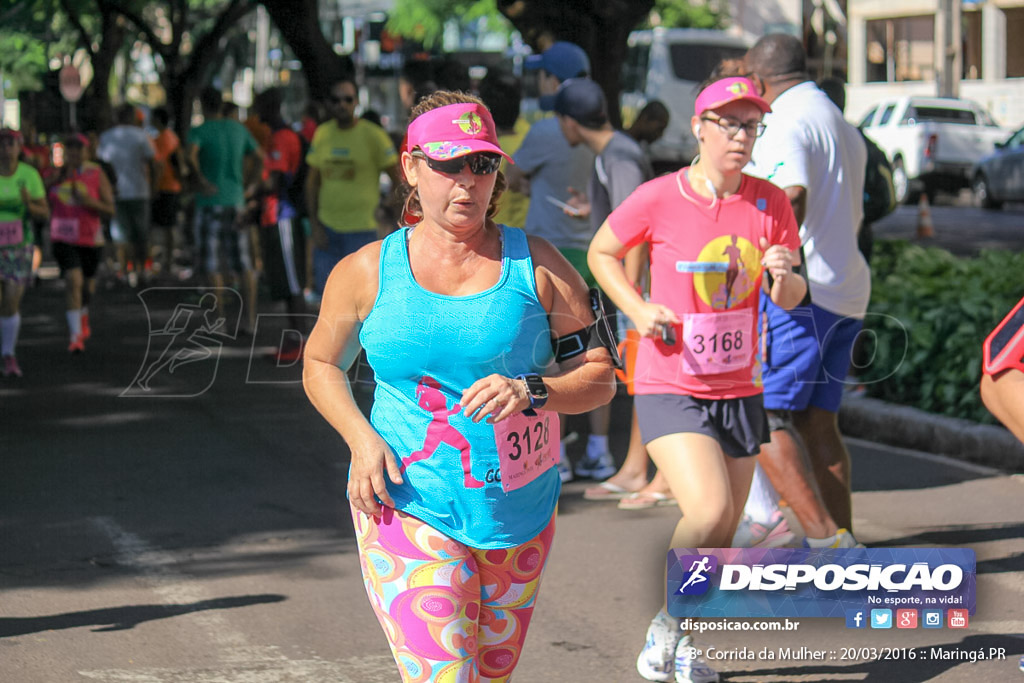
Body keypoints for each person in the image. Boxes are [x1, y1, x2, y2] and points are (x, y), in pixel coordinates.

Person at [302, 90, 616, 681]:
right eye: (448, 165)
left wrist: (535, 390)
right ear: (411, 167)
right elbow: (320, 364)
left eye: (482, 164)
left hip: (516, 510)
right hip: (406, 500)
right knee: (447, 674)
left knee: (489, 673)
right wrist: (362, 441)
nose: (467, 182)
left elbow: (600, 378)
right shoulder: (367, 271)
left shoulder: (541, 266)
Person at [588, 77, 805, 683]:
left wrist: (785, 273)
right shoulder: (660, 196)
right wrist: (636, 309)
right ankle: (667, 626)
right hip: (669, 380)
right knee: (707, 511)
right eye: (728, 124)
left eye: (751, 126)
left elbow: (790, 296)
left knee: (724, 532)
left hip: (740, 387)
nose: (740, 137)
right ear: (700, 126)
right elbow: (602, 252)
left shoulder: (770, 203)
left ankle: (682, 636)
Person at [743, 34, 868, 548]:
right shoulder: (838, 120)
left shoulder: (787, 119)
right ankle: (846, 541)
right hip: (845, 288)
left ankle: (826, 543)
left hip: (801, 292)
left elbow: (789, 193)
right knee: (820, 424)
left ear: (762, 78)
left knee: (760, 415)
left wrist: (766, 264)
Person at [509, 41, 612, 483]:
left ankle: (560, 458)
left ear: (552, 80)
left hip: (550, 258)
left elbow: (511, 178)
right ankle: (601, 450)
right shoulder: (603, 127)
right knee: (596, 357)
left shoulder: (547, 130)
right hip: (595, 254)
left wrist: (533, 187)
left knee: (553, 360)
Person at [305, 76, 401, 297]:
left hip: (364, 232)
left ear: (357, 102)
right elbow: (312, 183)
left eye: (348, 99)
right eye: (336, 100)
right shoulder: (322, 134)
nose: (342, 105)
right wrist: (314, 224)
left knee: (362, 299)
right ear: (329, 103)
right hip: (327, 229)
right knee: (328, 297)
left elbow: (398, 180)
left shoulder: (374, 136)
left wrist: (390, 214)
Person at [188, 87, 263, 332]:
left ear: (202, 104)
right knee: (243, 264)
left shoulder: (200, 130)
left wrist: (200, 180)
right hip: (236, 200)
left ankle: (218, 321)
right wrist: (249, 185)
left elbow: (190, 156)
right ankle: (249, 320)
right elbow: (260, 157)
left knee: (212, 265)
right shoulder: (238, 129)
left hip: (209, 203)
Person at [250, 88, 308, 363]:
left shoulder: (282, 138)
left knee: (293, 283)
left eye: (259, 106)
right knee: (286, 283)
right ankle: (294, 340)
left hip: (283, 215)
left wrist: (252, 192)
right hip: (275, 214)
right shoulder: (277, 135)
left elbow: (273, 180)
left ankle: (301, 341)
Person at [47, 133, 115, 352]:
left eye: (79, 149)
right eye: (70, 149)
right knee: (72, 280)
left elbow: (110, 209)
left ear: (87, 152)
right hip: (63, 237)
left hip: (90, 239)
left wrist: (89, 202)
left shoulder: (95, 173)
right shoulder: (55, 175)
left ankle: (83, 312)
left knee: (87, 287)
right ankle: (75, 335)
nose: (74, 153)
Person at [0, 129, 49, 377]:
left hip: (18, 248)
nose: (5, 149)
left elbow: (44, 213)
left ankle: (8, 354)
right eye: (1, 144)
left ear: (19, 148)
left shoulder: (29, 176)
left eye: (10, 144)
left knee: (11, 301)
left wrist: (28, 203)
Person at [98, 104, 157, 286]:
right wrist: (153, 186)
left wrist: (107, 188)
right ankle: (142, 271)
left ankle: (125, 271)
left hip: (117, 193)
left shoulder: (107, 137)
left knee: (121, 237)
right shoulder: (142, 135)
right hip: (140, 191)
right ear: (133, 117)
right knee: (141, 235)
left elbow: (102, 166)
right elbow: (153, 162)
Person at [150, 107, 187, 276]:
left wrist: (154, 188)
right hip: (173, 186)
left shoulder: (162, 139)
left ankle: (167, 261)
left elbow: (159, 165)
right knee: (169, 226)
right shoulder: (172, 137)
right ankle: (168, 259)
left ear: (158, 119)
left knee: (166, 227)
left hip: (165, 187)